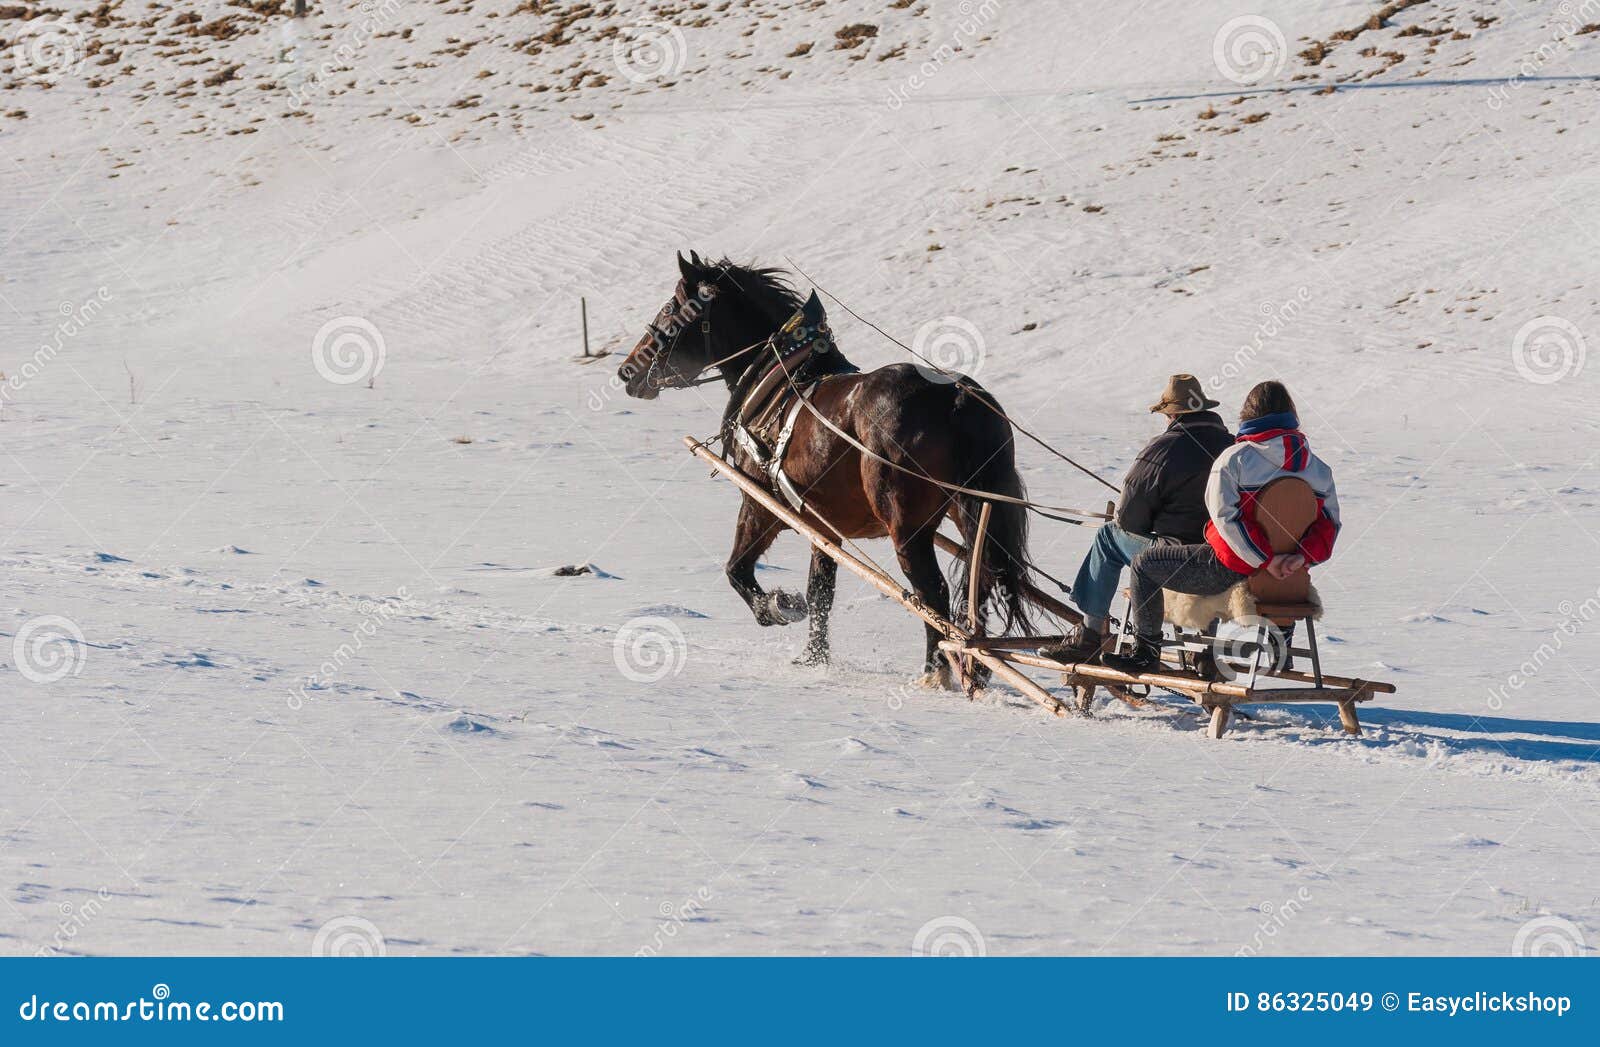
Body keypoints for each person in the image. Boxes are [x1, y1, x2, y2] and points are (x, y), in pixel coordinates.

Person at [1102, 380, 1341, 674]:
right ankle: (1279, 644)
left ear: (1248, 416)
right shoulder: (1317, 468)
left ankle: (1145, 652)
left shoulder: (1234, 459)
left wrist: (1265, 559)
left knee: (1143, 565)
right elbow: (1329, 524)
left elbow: (1226, 520)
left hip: (1227, 571)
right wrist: (1299, 557)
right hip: (1291, 576)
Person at [1039, 374, 1233, 662]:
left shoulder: (1164, 448)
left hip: (1174, 557)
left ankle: (1090, 635)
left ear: (1172, 413)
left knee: (1108, 537)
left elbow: (1130, 520)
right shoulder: (1233, 446)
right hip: (1221, 558)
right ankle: (1204, 649)